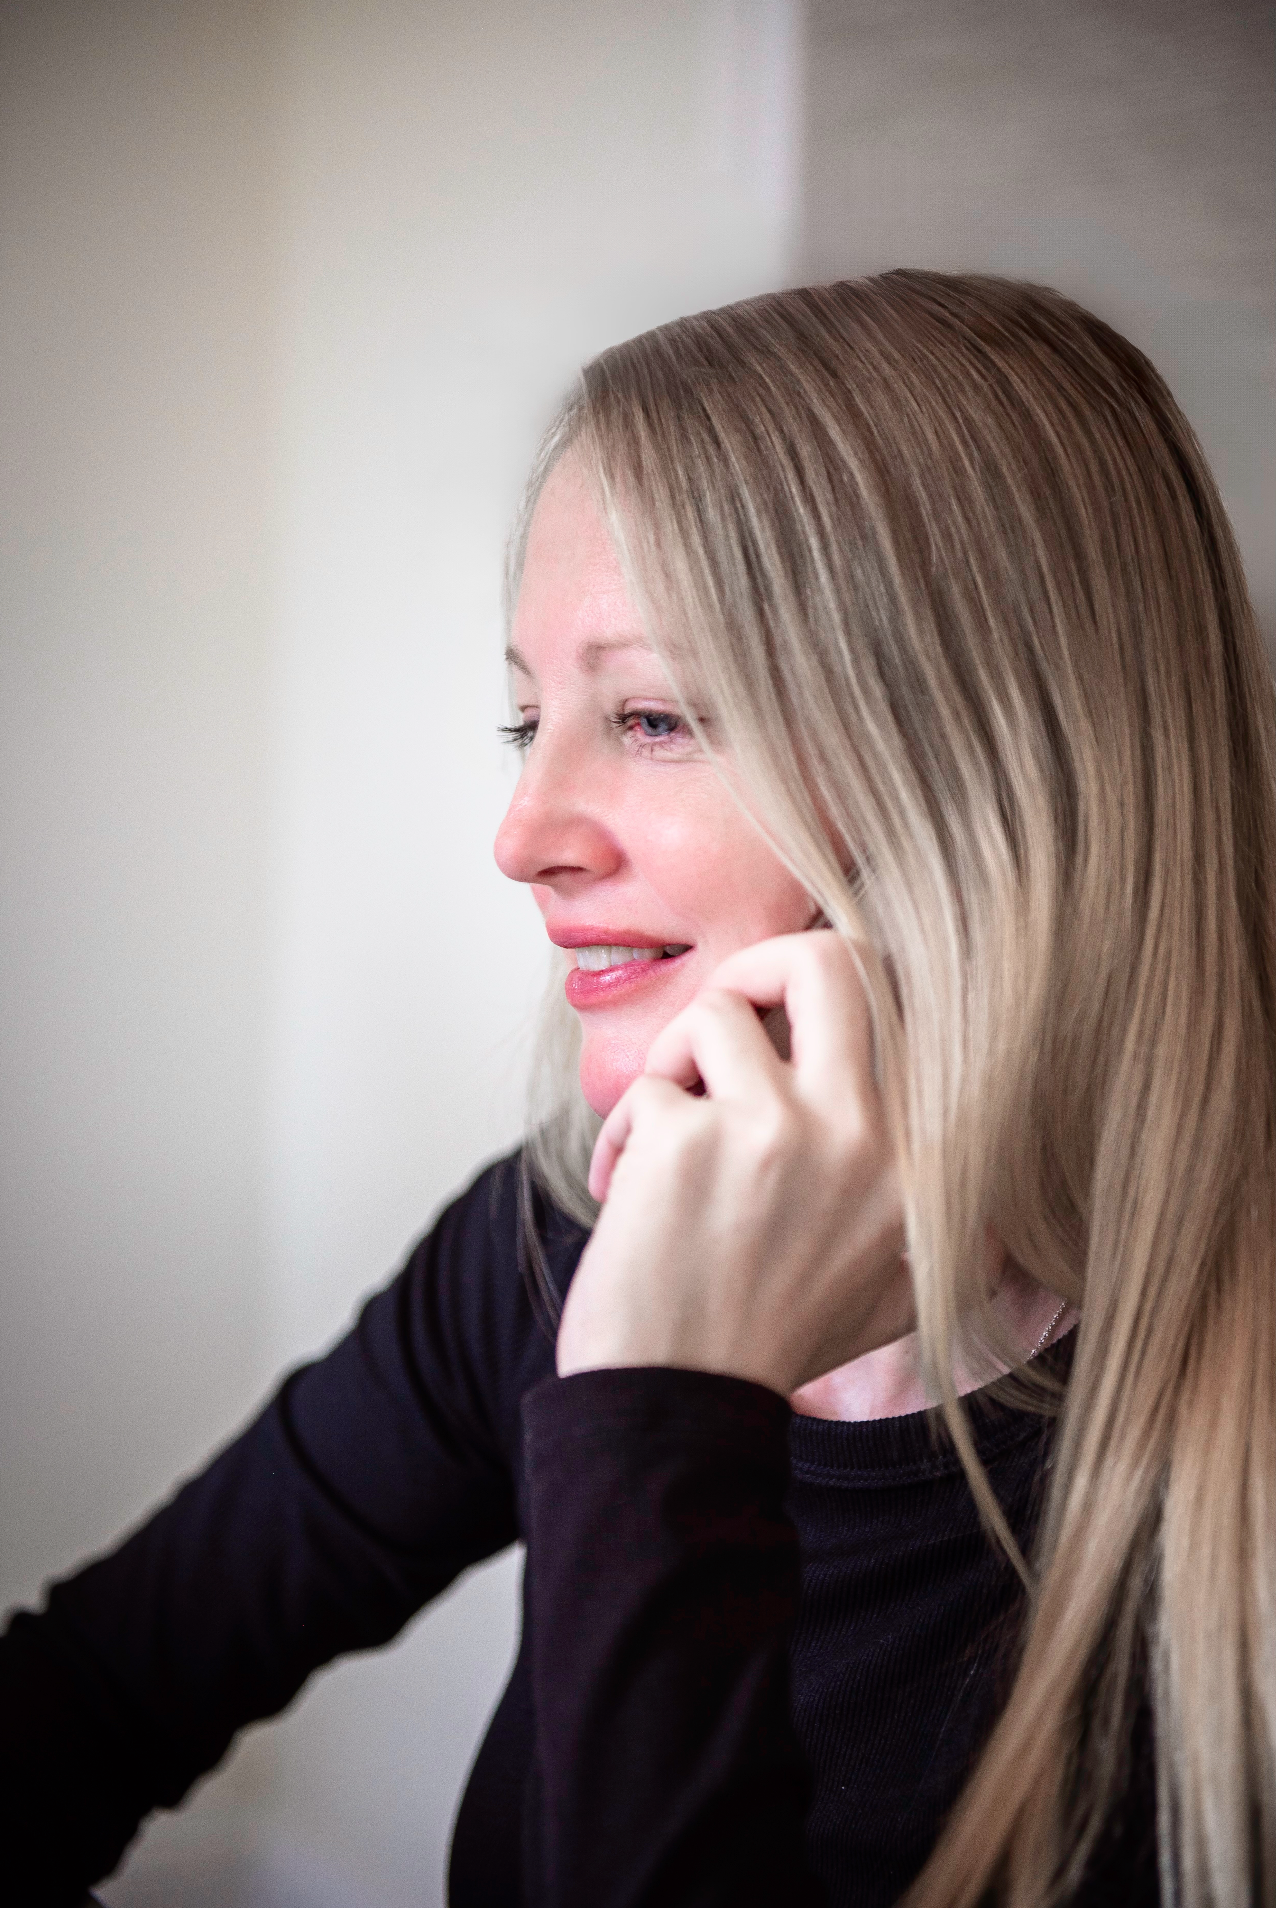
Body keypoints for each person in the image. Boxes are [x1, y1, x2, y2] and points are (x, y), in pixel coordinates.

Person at [2, 273, 1272, 1908]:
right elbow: (93, 1696)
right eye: (527, 720)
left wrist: (666, 1410)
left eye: (654, 716)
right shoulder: (552, 1235)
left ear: (992, 773)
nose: (522, 837)